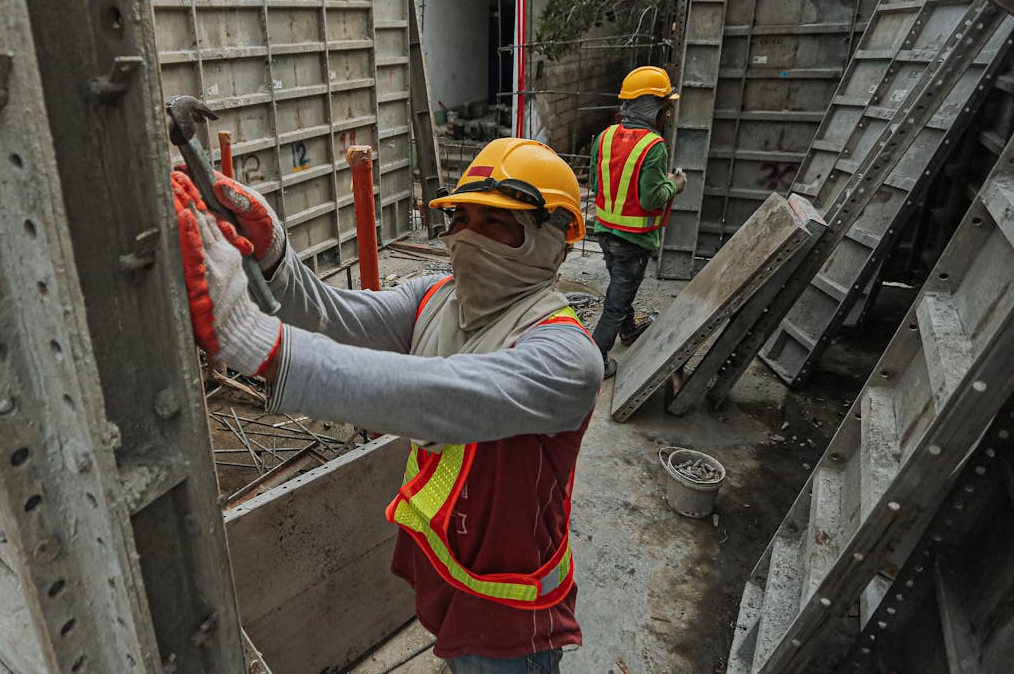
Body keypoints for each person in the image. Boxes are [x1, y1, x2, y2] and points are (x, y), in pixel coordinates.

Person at [171, 137, 603, 673]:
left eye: (496, 222)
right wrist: (274, 254)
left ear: (552, 240)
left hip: (513, 616)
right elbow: (335, 316)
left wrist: (256, 341)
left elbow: (443, 398)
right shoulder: (436, 298)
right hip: (447, 575)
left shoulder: (566, 356)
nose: (469, 237)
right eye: (461, 219)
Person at [589, 65, 688, 379]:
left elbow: (595, 181)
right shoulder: (653, 147)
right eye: (665, 108)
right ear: (651, 108)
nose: (668, 115)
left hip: (605, 232)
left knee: (621, 288)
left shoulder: (604, 138)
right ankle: (595, 359)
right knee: (616, 302)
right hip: (633, 241)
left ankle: (629, 330)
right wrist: (675, 184)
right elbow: (651, 199)